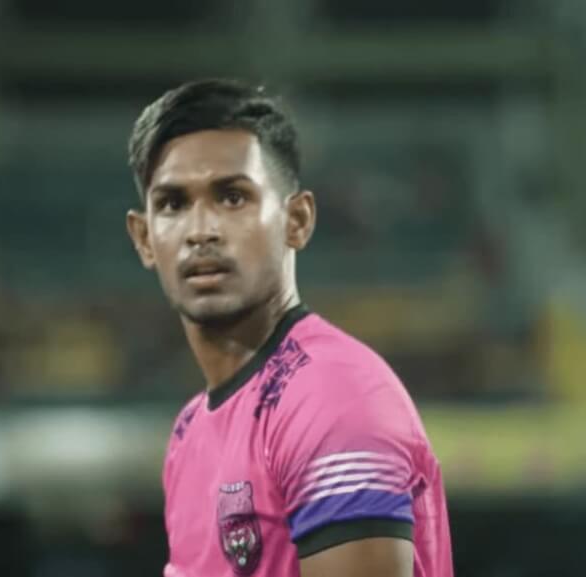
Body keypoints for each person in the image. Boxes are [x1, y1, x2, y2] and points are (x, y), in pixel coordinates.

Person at [125, 79, 454, 577]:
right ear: (145, 239)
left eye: (232, 197)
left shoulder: (332, 395)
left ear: (297, 220)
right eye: (173, 203)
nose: (201, 230)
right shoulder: (190, 431)